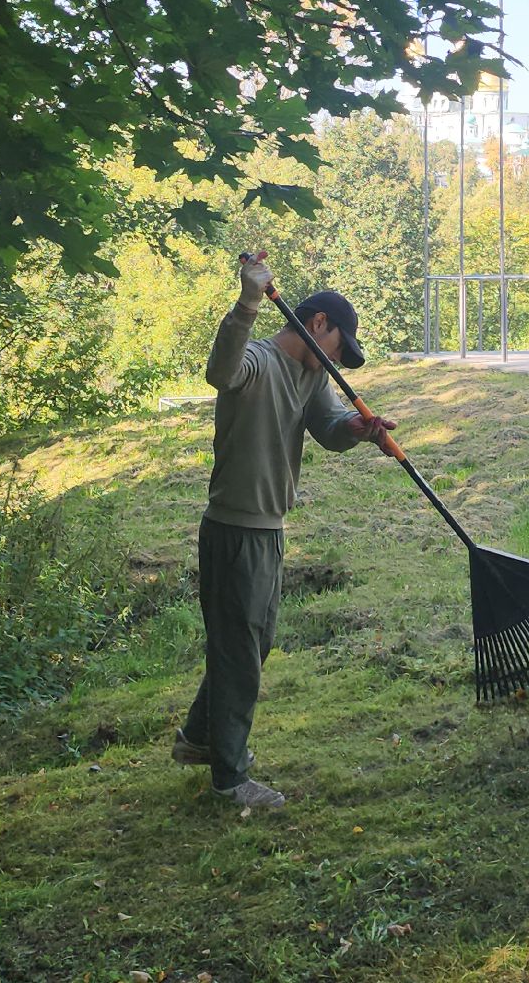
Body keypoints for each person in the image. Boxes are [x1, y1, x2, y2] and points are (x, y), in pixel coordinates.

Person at [169, 253, 396, 810]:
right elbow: (220, 372)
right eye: (340, 345)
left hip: (270, 529)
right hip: (233, 529)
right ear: (318, 324)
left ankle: (198, 739)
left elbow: (328, 429)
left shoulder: (309, 375)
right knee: (239, 651)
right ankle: (230, 777)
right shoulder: (258, 362)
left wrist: (360, 430)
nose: (338, 359)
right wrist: (247, 302)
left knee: (252, 643)